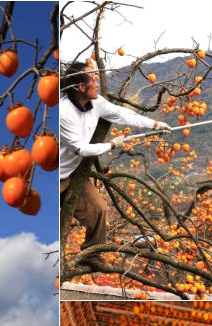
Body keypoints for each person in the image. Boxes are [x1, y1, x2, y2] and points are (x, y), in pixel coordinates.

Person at [59, 63, 171, 268]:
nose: (97, 83)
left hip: (72, 172)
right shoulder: (64, 113)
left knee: (99, 209)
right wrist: (111, 144)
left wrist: (154, 125)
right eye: (93, 79)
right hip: (54, 176)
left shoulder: (97, 103)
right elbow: (80, 149)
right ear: (81, 87)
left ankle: (91, 255)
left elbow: (121, 114)